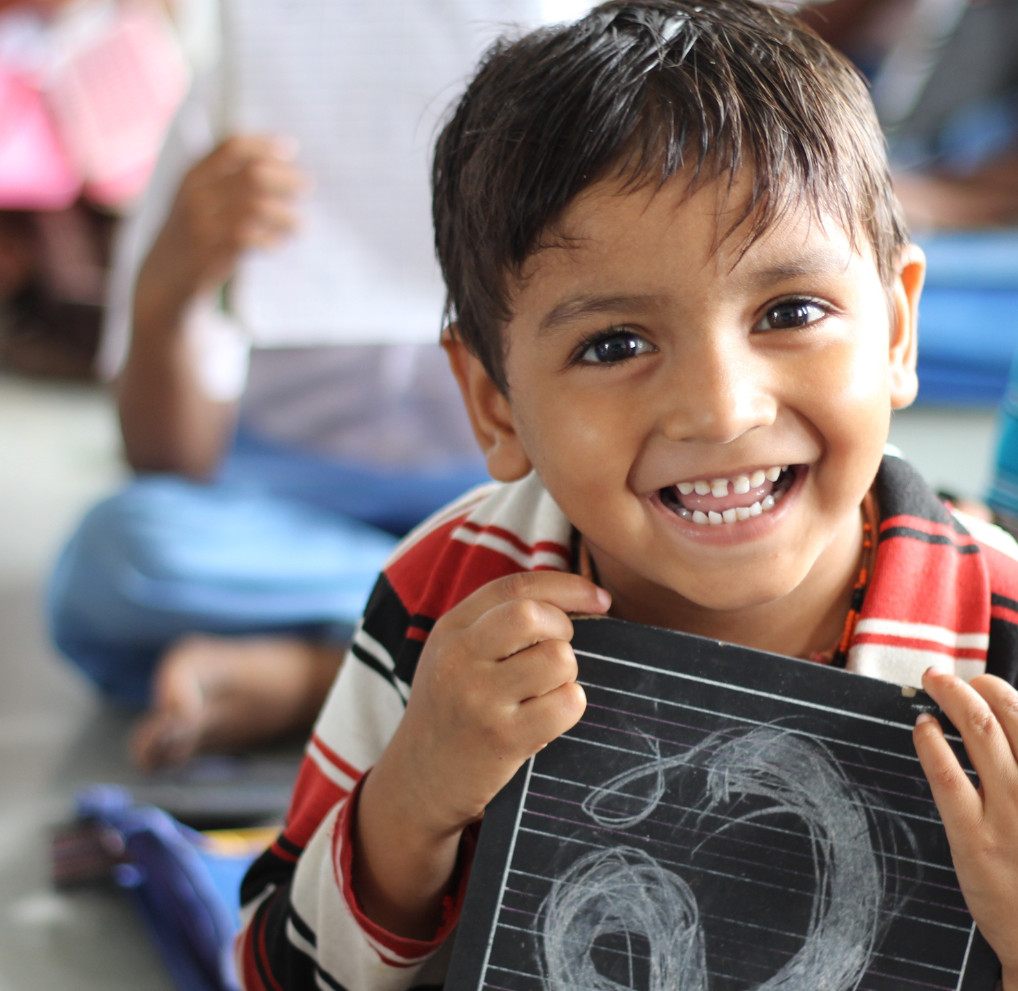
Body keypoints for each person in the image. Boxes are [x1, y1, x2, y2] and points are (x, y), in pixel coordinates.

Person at [235, 3, 1018, 989]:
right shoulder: (449, 604)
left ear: (897, 333)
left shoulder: (1002, 641)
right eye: (614, 344)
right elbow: (272, 968)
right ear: (494, 403)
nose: (720, 410)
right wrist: (413, 801)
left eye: (790, 311)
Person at [45, 1, 547, 770]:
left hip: (507, 488)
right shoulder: (229, 107)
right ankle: (442, 637)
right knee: (121, 554)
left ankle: (313, 673)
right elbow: (166, 458)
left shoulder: (567, 89)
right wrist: (169, 293)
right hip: (283, 502)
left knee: (642, 550)